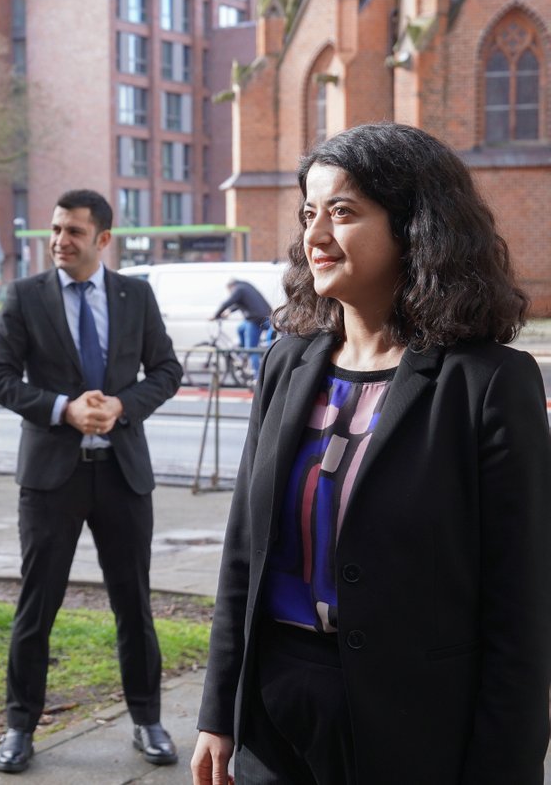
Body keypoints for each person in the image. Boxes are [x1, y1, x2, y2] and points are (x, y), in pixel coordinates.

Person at [191, 123, 551, 785]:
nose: (316, 235)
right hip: (274, 716)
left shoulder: (488, 384)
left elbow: (521, 613)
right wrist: (218, 711)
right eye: (309, 213)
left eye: (344, 212)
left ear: (415, 227)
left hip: (414, 727)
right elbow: (244, 551)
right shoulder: (286, 364)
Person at [0, 189, 184, 774]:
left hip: (122, 474)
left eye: (73, 231)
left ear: (102, 239)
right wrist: (63, 409)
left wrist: (121, 406)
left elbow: (166, 370)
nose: (58, 241)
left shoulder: (135, 295)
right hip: (51, 480)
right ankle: (19, 728)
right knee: (35, 609)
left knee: (134, 606)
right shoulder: (25, 297)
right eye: (54, 229)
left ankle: (147, 721)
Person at [212, 277, 273, 375]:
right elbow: (238, 303)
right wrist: (229, 311)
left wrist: (216, 315)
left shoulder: (238, 289)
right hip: (266, 317)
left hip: (255, 320)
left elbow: (228, 302)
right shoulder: (246, 287)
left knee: (252, 349)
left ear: (231, 287)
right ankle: (242, 351)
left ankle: (256, 377)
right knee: (240, 328)